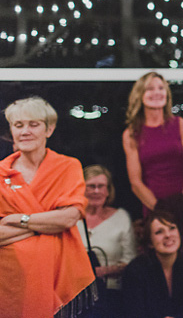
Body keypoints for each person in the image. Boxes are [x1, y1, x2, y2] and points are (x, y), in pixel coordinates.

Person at [0, 97, 96, 317]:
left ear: (49, 129)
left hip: (59, 276)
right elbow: (59, 221)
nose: (25, 131)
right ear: (12, 131)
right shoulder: (0, 172)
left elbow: (68, 219)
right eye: (18, 125)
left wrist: (18, 218)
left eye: (33, 124)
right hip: (9, 282)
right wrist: (47, 223)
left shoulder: (68, 166)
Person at [122, 71, 183, 249]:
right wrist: (161, 209)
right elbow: (136, 182)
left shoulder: (180, 124)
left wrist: (180, 203)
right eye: (150, 89)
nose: (157, 92)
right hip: (155, 206)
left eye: (161, 88)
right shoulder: (131, 134)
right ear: (140, 95)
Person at [121, 210, 183, 318]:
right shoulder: (135, 271)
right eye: (159, 232)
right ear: (150, 243)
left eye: (172, 228)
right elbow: (134, 313)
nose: (168, 235)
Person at [80, 164, 138, 318]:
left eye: (101, 186)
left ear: (108, 190)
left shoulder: (121, 218)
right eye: (91, 186)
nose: (96, 191)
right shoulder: (71, 218)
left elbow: (132, 262)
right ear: (81, 188)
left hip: (111, 294)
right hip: (76, 295)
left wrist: (102, 272)